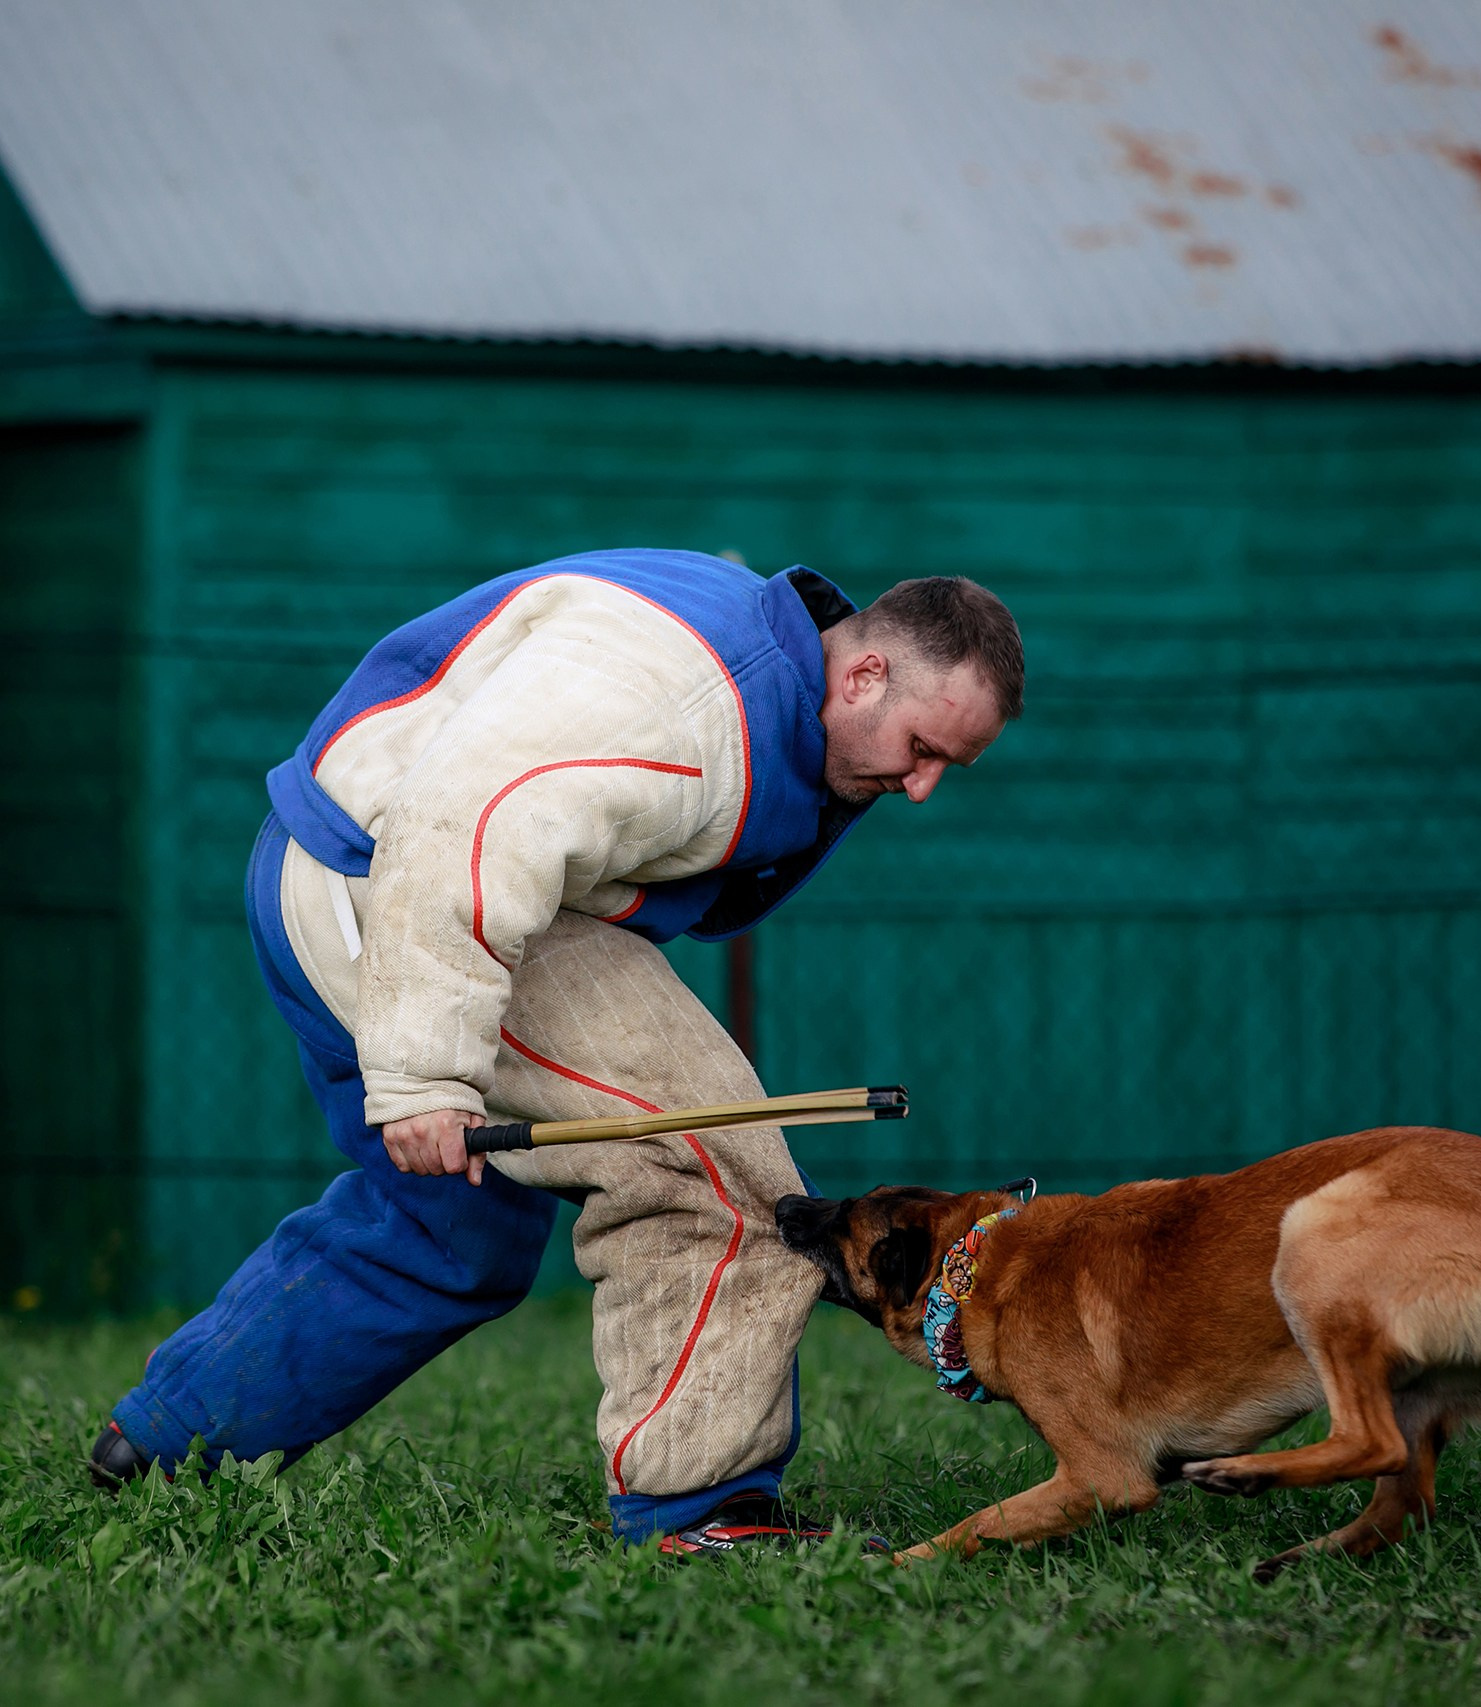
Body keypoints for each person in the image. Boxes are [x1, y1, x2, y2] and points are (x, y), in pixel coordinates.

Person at [90, 548, 1022, 1551]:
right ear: (864, 674)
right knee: (712, 1172)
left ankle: (166, 1446)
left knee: (451, 1230)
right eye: (922, 748)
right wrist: (425, 1077)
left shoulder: (770, 673)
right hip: (394, 880)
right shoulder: (684, 704)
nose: (920, 787)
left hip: (342, 870)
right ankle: (701, 1512)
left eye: (945, 769)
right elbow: (465, 819)